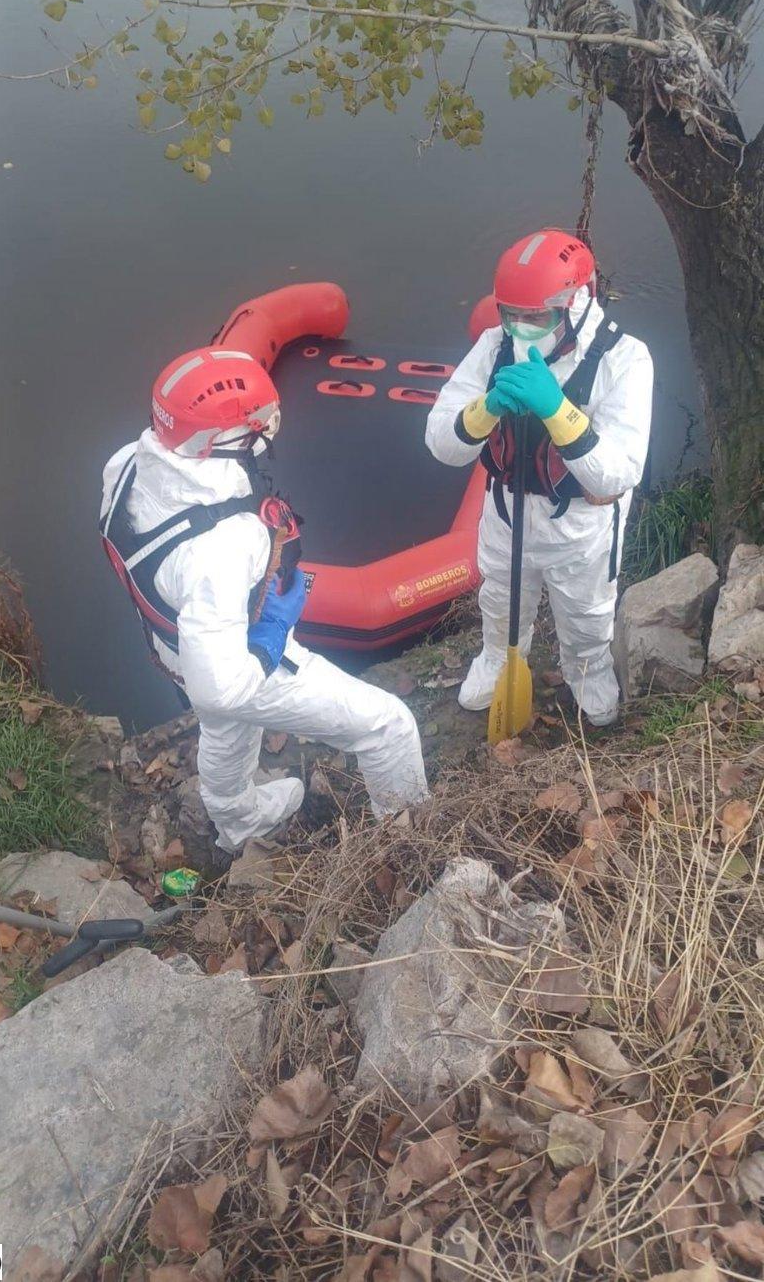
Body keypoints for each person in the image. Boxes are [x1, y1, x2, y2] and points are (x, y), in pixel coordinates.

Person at [100, 345, 429, 850]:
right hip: (237, 657)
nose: (270, 429)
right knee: (389, 726)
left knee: (227, 729)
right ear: (224, 437)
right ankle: (410, 847)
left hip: (176, 642)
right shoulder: (228, 542)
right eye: (261, 422)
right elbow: (222, 689)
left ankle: (238, 821)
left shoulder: (124, 464)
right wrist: (273, 631)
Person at [426, 229, 653, 727]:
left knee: (587, 611)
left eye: (537, 317)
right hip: (507, 514)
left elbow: (617, 473)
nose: (523, 328)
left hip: (580, 526)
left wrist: (557, 409)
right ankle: (497, 658)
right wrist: (484, 409)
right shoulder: (494, 347)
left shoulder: (624, 359)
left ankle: (588, 671)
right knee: (500, 598)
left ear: (578, 301)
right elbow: (441, 442)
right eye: (513, 315)